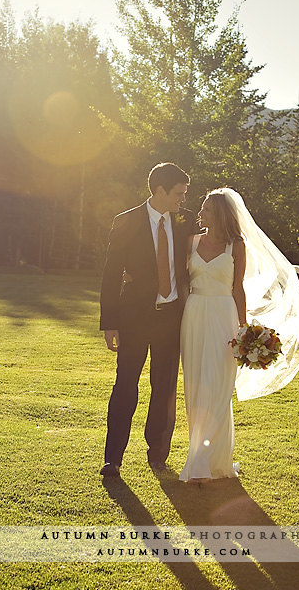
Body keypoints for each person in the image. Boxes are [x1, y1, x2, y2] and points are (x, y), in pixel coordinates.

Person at [179, 188, 299, 483]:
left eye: (206, 209)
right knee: (196, 385)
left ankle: (203, 460)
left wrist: (243, 329)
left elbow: (238, 288)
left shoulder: (237, 246)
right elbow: (182, 282)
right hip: (194, 314)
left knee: (219, 386)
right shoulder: (191, 242)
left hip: (224, 315)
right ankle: (203, 455)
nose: (200, 214)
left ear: (220, 214)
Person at [99, 163, 197, 478]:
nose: (182, 200)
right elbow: (111, 274)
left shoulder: (186, 220)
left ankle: (158, 455)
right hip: (133, 319)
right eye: (178, 194)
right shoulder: (125, 221)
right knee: (126, 384)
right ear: (160, 191)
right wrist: (109, 322)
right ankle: (112, 459)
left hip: (172, 318)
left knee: (165, 387)